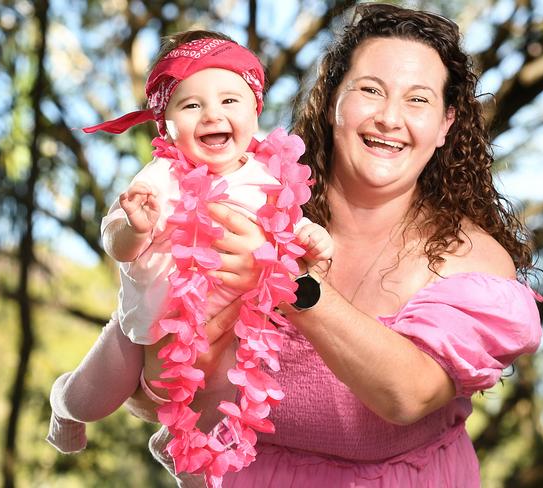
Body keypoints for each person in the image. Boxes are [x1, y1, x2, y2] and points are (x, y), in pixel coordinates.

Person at [130, 4, 543, 487]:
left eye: (418, 100)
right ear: (333, 103)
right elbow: (146, 395)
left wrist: (285, 278)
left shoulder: (471, 259)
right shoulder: (245, 207)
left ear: (446, 124)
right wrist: (174, 373)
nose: (389, 117)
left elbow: (406, 395)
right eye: (370, 90)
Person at [45, 28, 334, 471]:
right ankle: (63, 404)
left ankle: (175, 449)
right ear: (166, 124)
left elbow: (290, 233)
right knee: (93, 400)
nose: (211, 114)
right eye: (192, 104)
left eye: (229, 100)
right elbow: (115, 242)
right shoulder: (163, 176)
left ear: (255, 111)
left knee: (217, 423)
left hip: (228, 333)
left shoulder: (270, 179)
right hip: (142, 331)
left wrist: (314, 240)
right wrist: (134, 229)